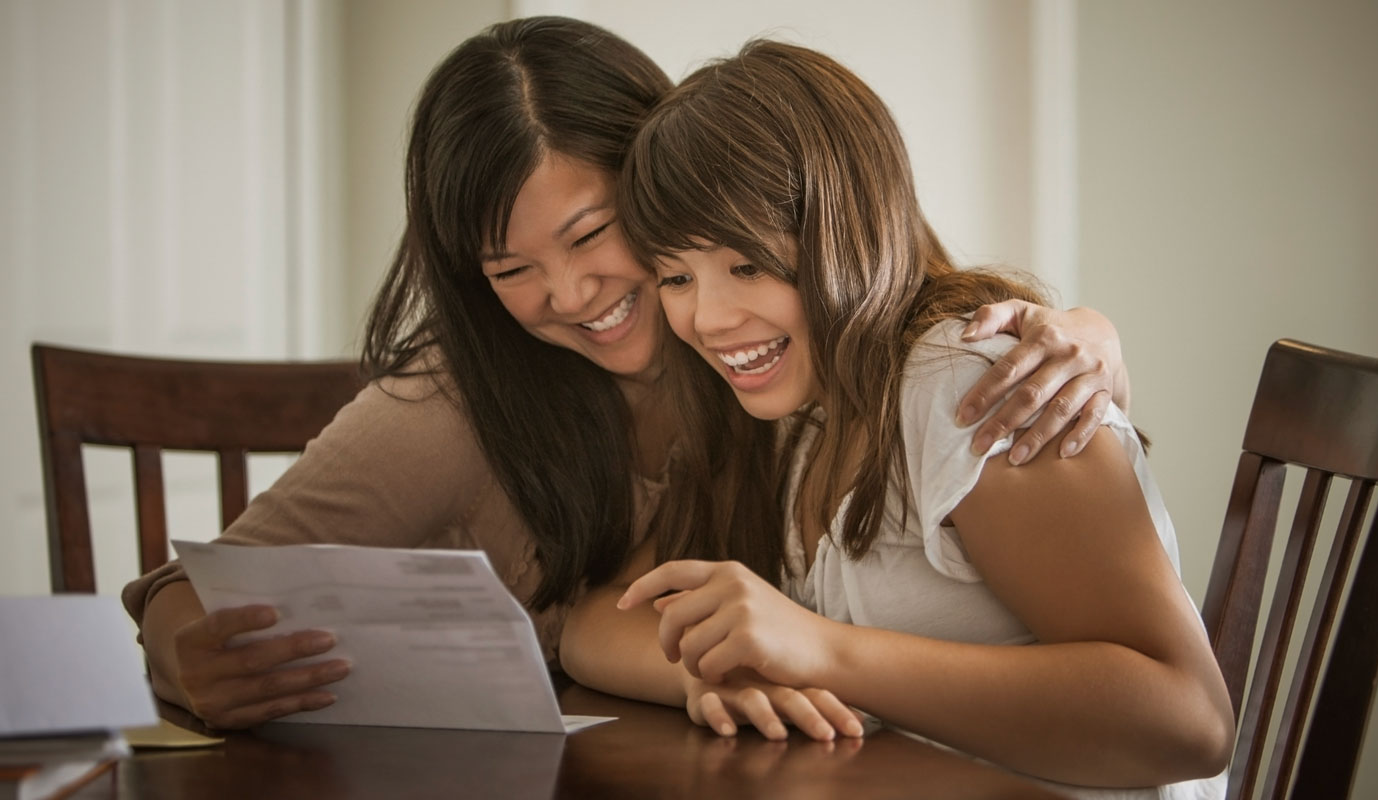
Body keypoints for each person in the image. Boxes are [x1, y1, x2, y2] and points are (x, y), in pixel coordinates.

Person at [121, 17, 1133, 731]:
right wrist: (181, 651)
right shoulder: (450, 409)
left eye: (593, 233)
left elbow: (910, 317)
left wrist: (1083, 333)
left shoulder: (774, 364)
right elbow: (183, 590)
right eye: (511, 269)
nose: (566, 293)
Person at [609, 40, 1233, 796]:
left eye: (746, 265)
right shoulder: (806, 417)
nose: (707, 317)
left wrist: (823, 650)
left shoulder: (968, 386)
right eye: (676, 276)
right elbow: (591, 624)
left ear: (847, 227)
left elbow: (1189, 722)